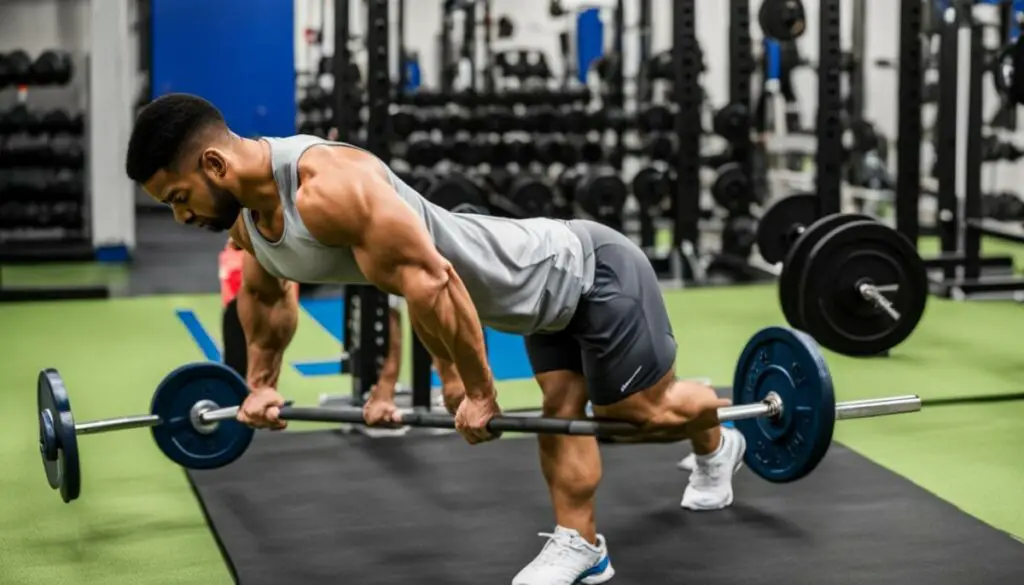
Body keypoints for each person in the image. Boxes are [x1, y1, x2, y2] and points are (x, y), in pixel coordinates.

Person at [126, 94, 745, 585]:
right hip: (533, 304)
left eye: (179, 198)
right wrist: (261, 384)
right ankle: (582, 546)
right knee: (562, 412)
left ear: (214, 165)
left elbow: (433, 283)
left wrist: (478, 389)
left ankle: (718, 434)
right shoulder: (248, 221)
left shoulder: (330, 187)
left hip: (587, 270)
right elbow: (264, 300)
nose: (182, 218)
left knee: (629, 416)